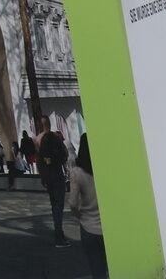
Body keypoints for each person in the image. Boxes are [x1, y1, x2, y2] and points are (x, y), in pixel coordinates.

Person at [68, 133, 106, 277]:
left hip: (88, 227)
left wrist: (79, 216)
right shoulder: (104, 168)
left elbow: (72, 203)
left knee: (97, 270)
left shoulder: (77, 173)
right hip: (108, 226)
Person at [35, 116, 71, 248]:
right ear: (49, 124)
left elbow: (39, 160)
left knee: (54, 204)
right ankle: (59, 234)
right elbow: (64, 154)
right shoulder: (56, 137)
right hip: (57, 173)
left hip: (48, 175)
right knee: (59, 206)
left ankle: (58, 232)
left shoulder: (38, 139)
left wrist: (42, 177)